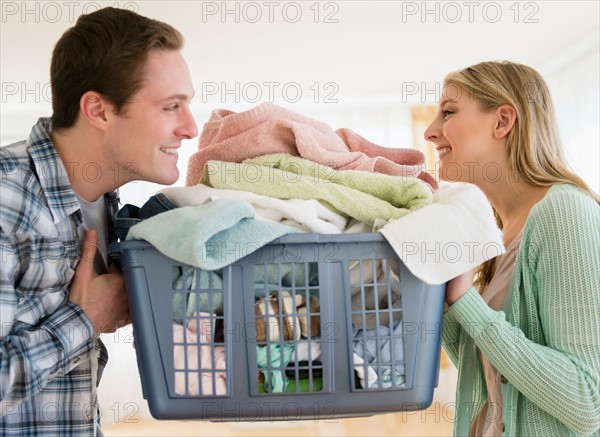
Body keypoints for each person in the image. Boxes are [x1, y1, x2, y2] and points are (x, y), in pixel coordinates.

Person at [0, 7, 198, 436]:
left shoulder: (105, 201)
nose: (191, 127)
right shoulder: (6, 198)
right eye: (171, 106)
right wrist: (84, 319)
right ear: (98, 110)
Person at [424, 60, 600, 436]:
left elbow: (588, 400)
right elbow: (489, 372)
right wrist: (440, 292)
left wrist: (465, 300)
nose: (430, 131)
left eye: (448, 112)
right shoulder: (497, 235)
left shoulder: (564, 212)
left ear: (502, 122)